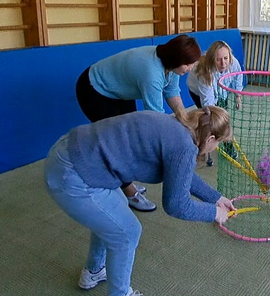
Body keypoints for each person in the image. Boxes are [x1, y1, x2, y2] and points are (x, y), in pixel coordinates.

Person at [43, 106, 235, 296]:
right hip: (72, 172)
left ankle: (94, 271)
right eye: (218, 143)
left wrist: (216, 198)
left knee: (113, 217)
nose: (215, 148)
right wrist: (214, 213)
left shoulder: (176, 126)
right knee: (127, 232)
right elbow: (176, 205)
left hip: (71, 150)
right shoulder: (184, 147)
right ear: (210, 139)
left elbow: (181, 174)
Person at [75, 34, 201, 212]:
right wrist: (177, 140)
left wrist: (186, 121)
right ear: (176, 59)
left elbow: (172, 91)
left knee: (129, 136)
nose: (190, 68)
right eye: (188, 64)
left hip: (119, 90)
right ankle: (129, 191)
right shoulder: (151, 72)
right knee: (118, 143)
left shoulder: (171, 66)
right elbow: (156, 118)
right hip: (94, 89)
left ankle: (125, 179)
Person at [186, 40, 244, 166]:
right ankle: (204, 150)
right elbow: (209, 104)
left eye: (225, 58)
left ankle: (228, 147)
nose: (223, 63)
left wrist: (238, 96)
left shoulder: (233, 62)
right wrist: (215, 117)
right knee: (208, 120)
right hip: (198, 92)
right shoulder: (204, 72)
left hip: (221, 91)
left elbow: (238, 76)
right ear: (212, 59)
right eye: (218, 60)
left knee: (224, 120)